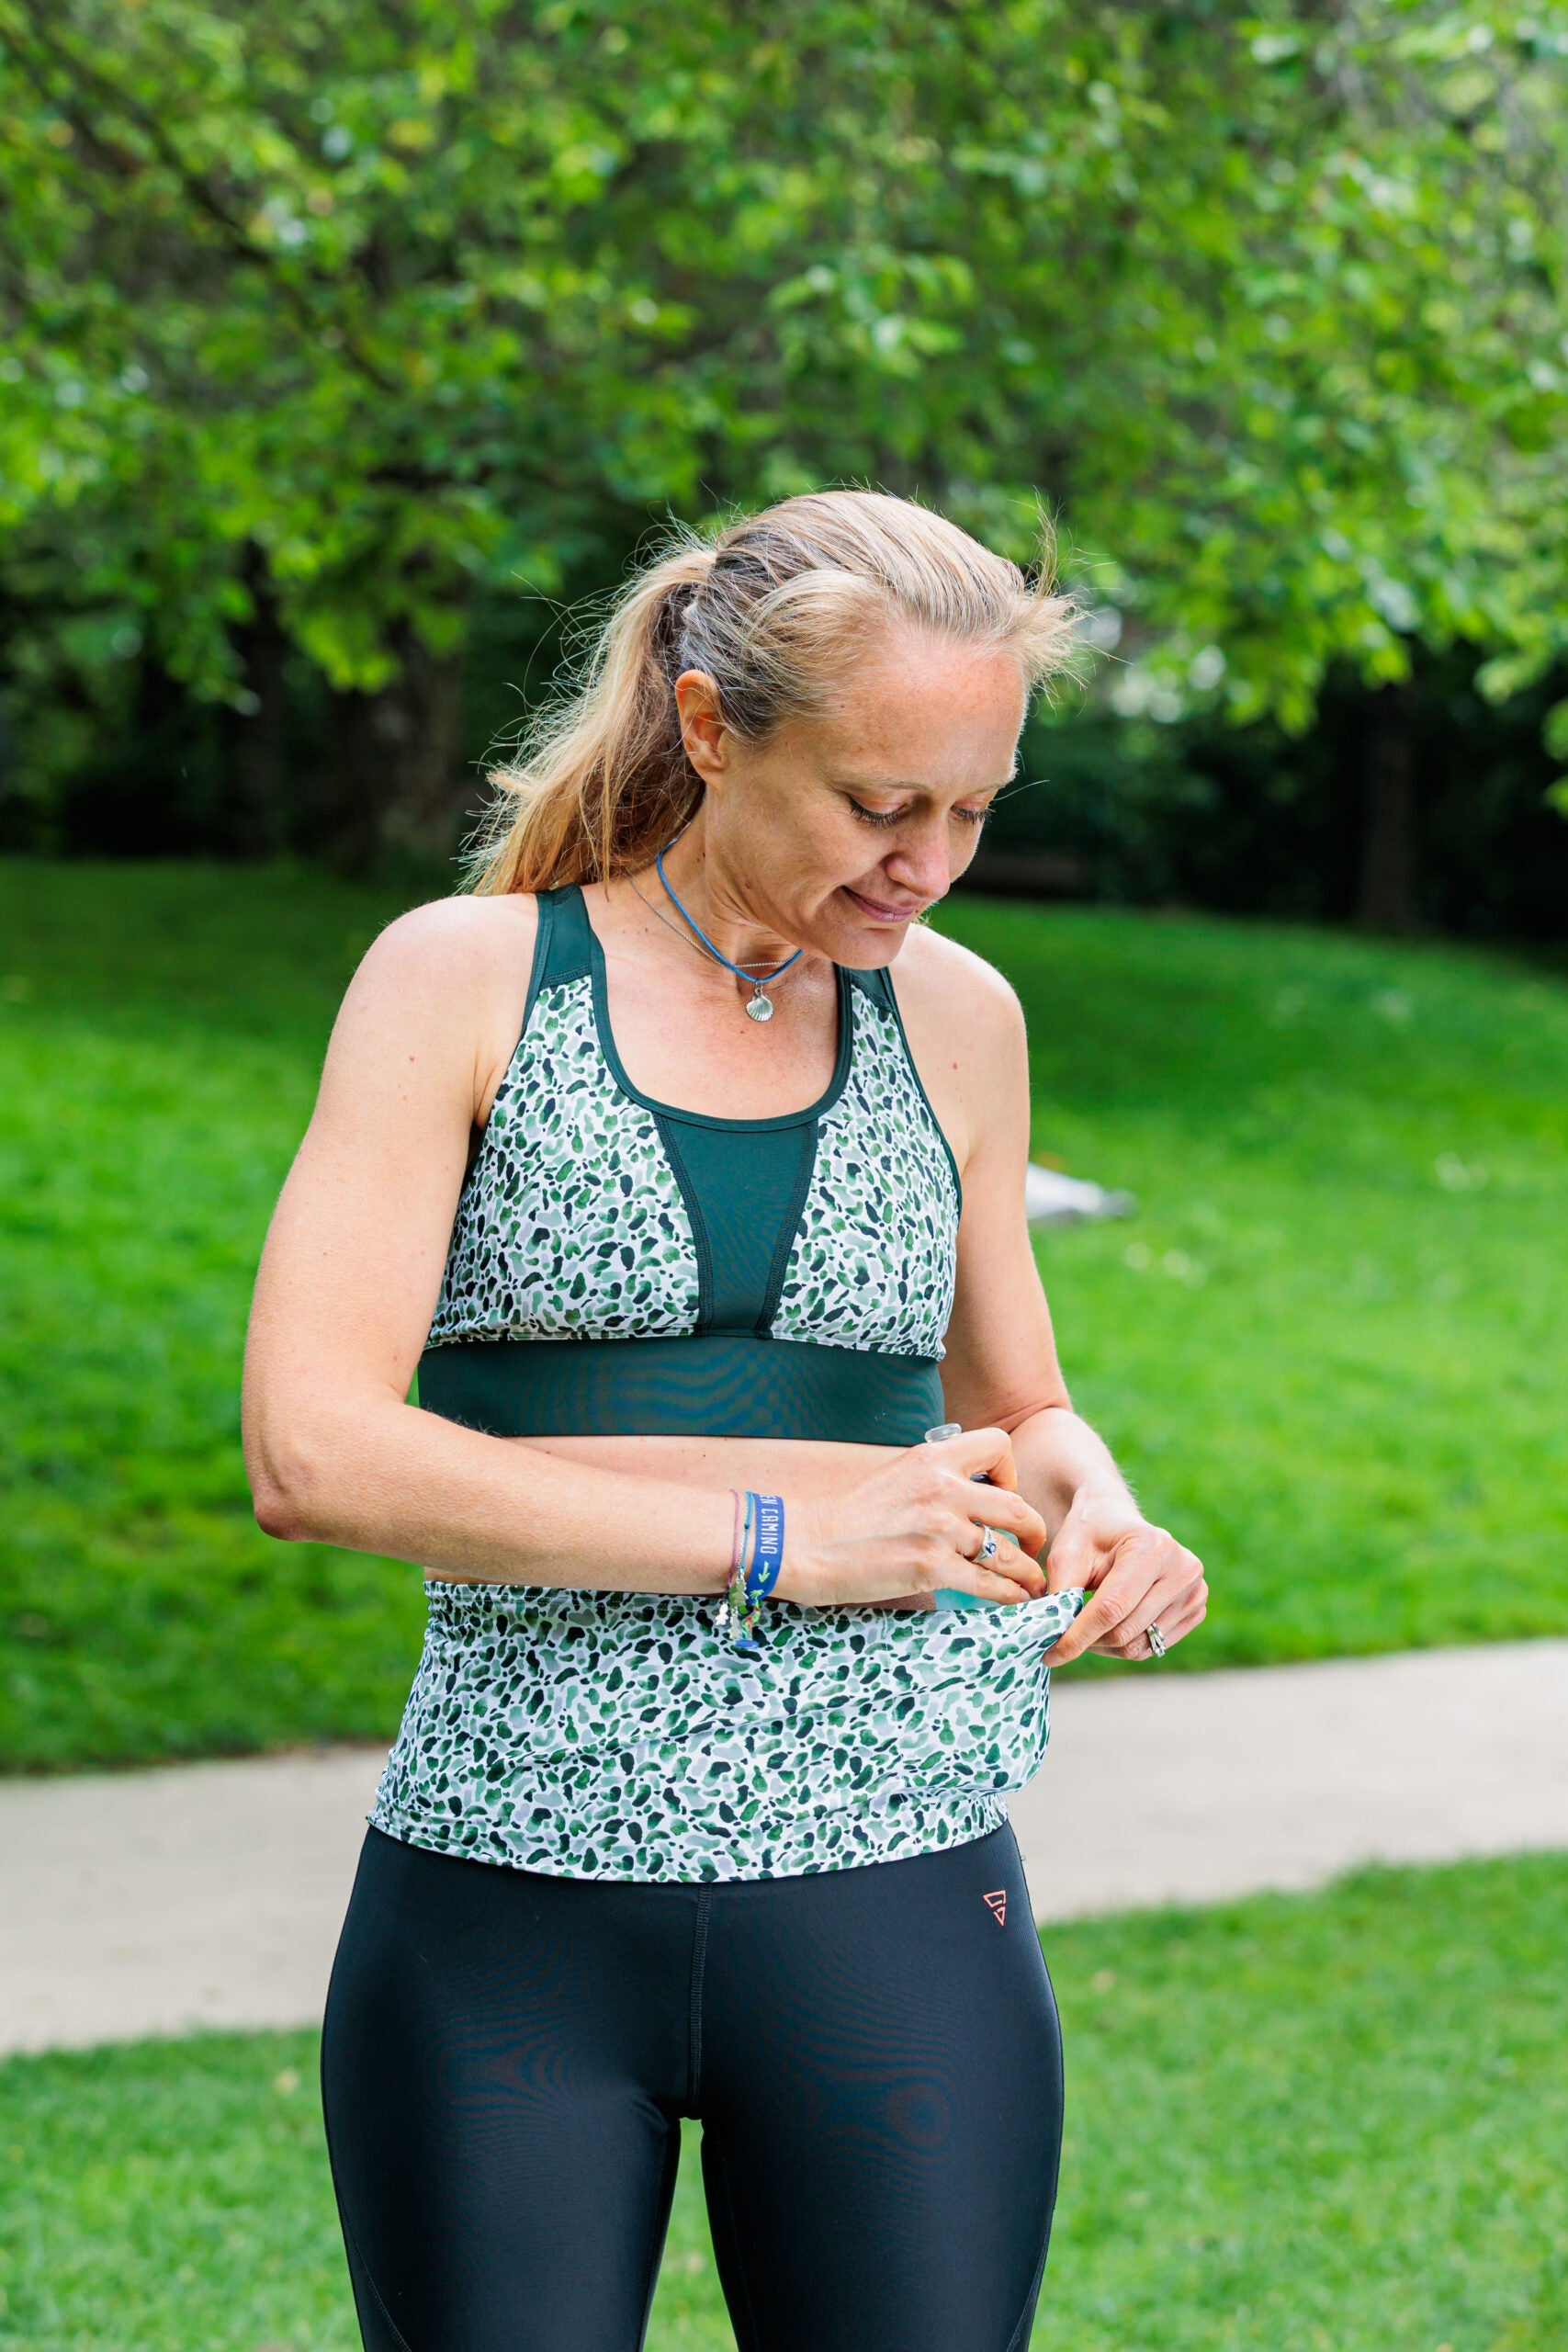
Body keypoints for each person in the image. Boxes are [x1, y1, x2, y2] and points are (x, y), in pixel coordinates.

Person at [243, 490, 1207, 2352]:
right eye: (877, 802)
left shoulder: (960, 1020)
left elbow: (1017, 1403)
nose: (928, 859)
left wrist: (1087, 1492)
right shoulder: (462, 980)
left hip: (903, 1891)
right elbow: (313, 1448)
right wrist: (784, 1537)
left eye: (972, 807)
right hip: (505, 1895)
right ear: (707, 726)